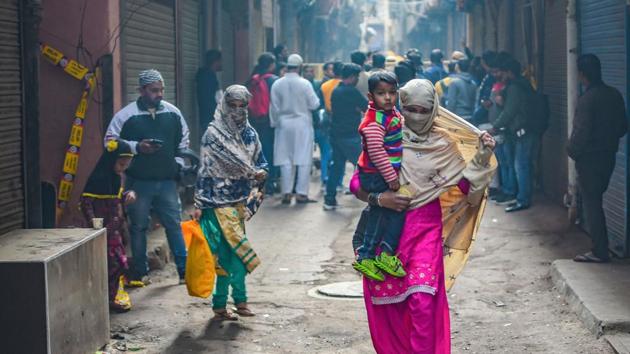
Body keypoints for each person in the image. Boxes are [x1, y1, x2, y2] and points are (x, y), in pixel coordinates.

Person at [352, 79, 496, 353]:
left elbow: (464, 188)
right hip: (386, 233)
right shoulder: (385, 136)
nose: (416, 116)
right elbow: (357, 183)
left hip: (425, 232)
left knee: (421, 300)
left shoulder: (444, 145)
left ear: (434, 110)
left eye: (423, 110)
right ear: (401, 106)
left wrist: (481, 157)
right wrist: (382, 198)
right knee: (390, 304)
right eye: (411, 109)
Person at [104, 69, 189, 285]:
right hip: (138, 183)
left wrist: (176, 165)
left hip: (167, 182)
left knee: (174, 225)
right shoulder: (126, 115)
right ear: (141, 91)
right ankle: (140, 273)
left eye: (161, 90)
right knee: (139, 227)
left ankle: (184, 272)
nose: (159, 94)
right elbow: (109, 142)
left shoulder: (173, 113)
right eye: (153, 90)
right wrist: (137, 147)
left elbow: (183, 142)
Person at [193, 85, 267, 320]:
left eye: (242, 106)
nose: (237, 110)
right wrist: (198, 204)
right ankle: (227, 304)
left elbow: (262, 163)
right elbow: (203, 172)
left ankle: (234, 303)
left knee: (233, 255)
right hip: (216, 204)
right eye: (232, 105)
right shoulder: (212, 135)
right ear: (224, 105)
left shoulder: (250, 134)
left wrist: (261, 174)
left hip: (239, 204)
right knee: (228, 255)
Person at [569, 54, 628, 263]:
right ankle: (600, 248)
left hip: (590, 160)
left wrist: (572, 151)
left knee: (592, 203)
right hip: (608, 157)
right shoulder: (614, 94)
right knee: (597, 199)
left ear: (582, 74)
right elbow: (623, 127)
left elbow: (581, 133)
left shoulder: (588, 99)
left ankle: (599, 251)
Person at [352, 71, 406, 281]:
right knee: (381, 214)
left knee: (391, 212)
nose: (388, 97)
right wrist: (391, 177)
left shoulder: (391, 114)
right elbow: (376, 152)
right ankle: (369, 256)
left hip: (382, 173)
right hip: (377, 174)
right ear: (370, 96)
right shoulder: (374, 120)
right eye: (381, 93)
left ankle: (382, 253)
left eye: (392, 92)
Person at [80, 140, 136, 312]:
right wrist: (93, 225)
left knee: (118, 264)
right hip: (102, 230)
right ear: (111, 160)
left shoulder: (116, 178)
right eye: (120, 164)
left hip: (115, 230)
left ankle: (110, 298)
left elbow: (116, 199)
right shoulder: (98, 179)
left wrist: (128, 195)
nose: (122, 168)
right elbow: (85, 202)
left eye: (126, 165)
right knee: (109, 264)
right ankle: (103, 299)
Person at [270, 54, 321, 204]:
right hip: (302, 124)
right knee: (303, 158)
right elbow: (314, 104)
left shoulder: (277, 84)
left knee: (285, 159)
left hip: (283, 125)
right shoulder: (305, 84)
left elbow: (274, 107)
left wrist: (275, 124)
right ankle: (301, 193)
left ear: (287, 66)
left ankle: (286, 192)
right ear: (299, 67)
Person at [491, 58, 535, 212]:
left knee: (520, 166)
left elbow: (510, 111)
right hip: (523, 130)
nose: (501, 76)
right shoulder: (521, 84)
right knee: (520, 165)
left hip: (523, 131)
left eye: (503, 73)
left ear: (509, 72)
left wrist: (495, 127)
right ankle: (520, 196)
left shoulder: (515, 88)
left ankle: (523, 200)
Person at [323, 64, 369, 210]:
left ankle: (329, 198)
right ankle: (372, 196)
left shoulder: (337, 91)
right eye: (356, 77)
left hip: (336, 134)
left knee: (337, 167)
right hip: (349, 135)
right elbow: (366, 107)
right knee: (365, 164)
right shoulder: (351, 91)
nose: (357, 80)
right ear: (352, 77)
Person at [247, 53, 278, 194]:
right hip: (268, 121)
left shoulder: (252, 80)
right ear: (271, 65)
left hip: (254, 120)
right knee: (269, 152)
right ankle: (269, 184)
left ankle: (256, 181)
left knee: (257, 151)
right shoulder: (273, 81)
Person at [196, 49, 222, 130]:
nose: (222, 63)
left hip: (205, 117)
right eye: (220, 61)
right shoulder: (210, 77)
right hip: (211, 117)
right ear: (216, 61)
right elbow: (218, 99)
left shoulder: (203, 75)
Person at [471, 50, 497, 126]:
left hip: (486, 117)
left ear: (484, 62)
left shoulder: (491, 77)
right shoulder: (487, 75)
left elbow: (488, 100)